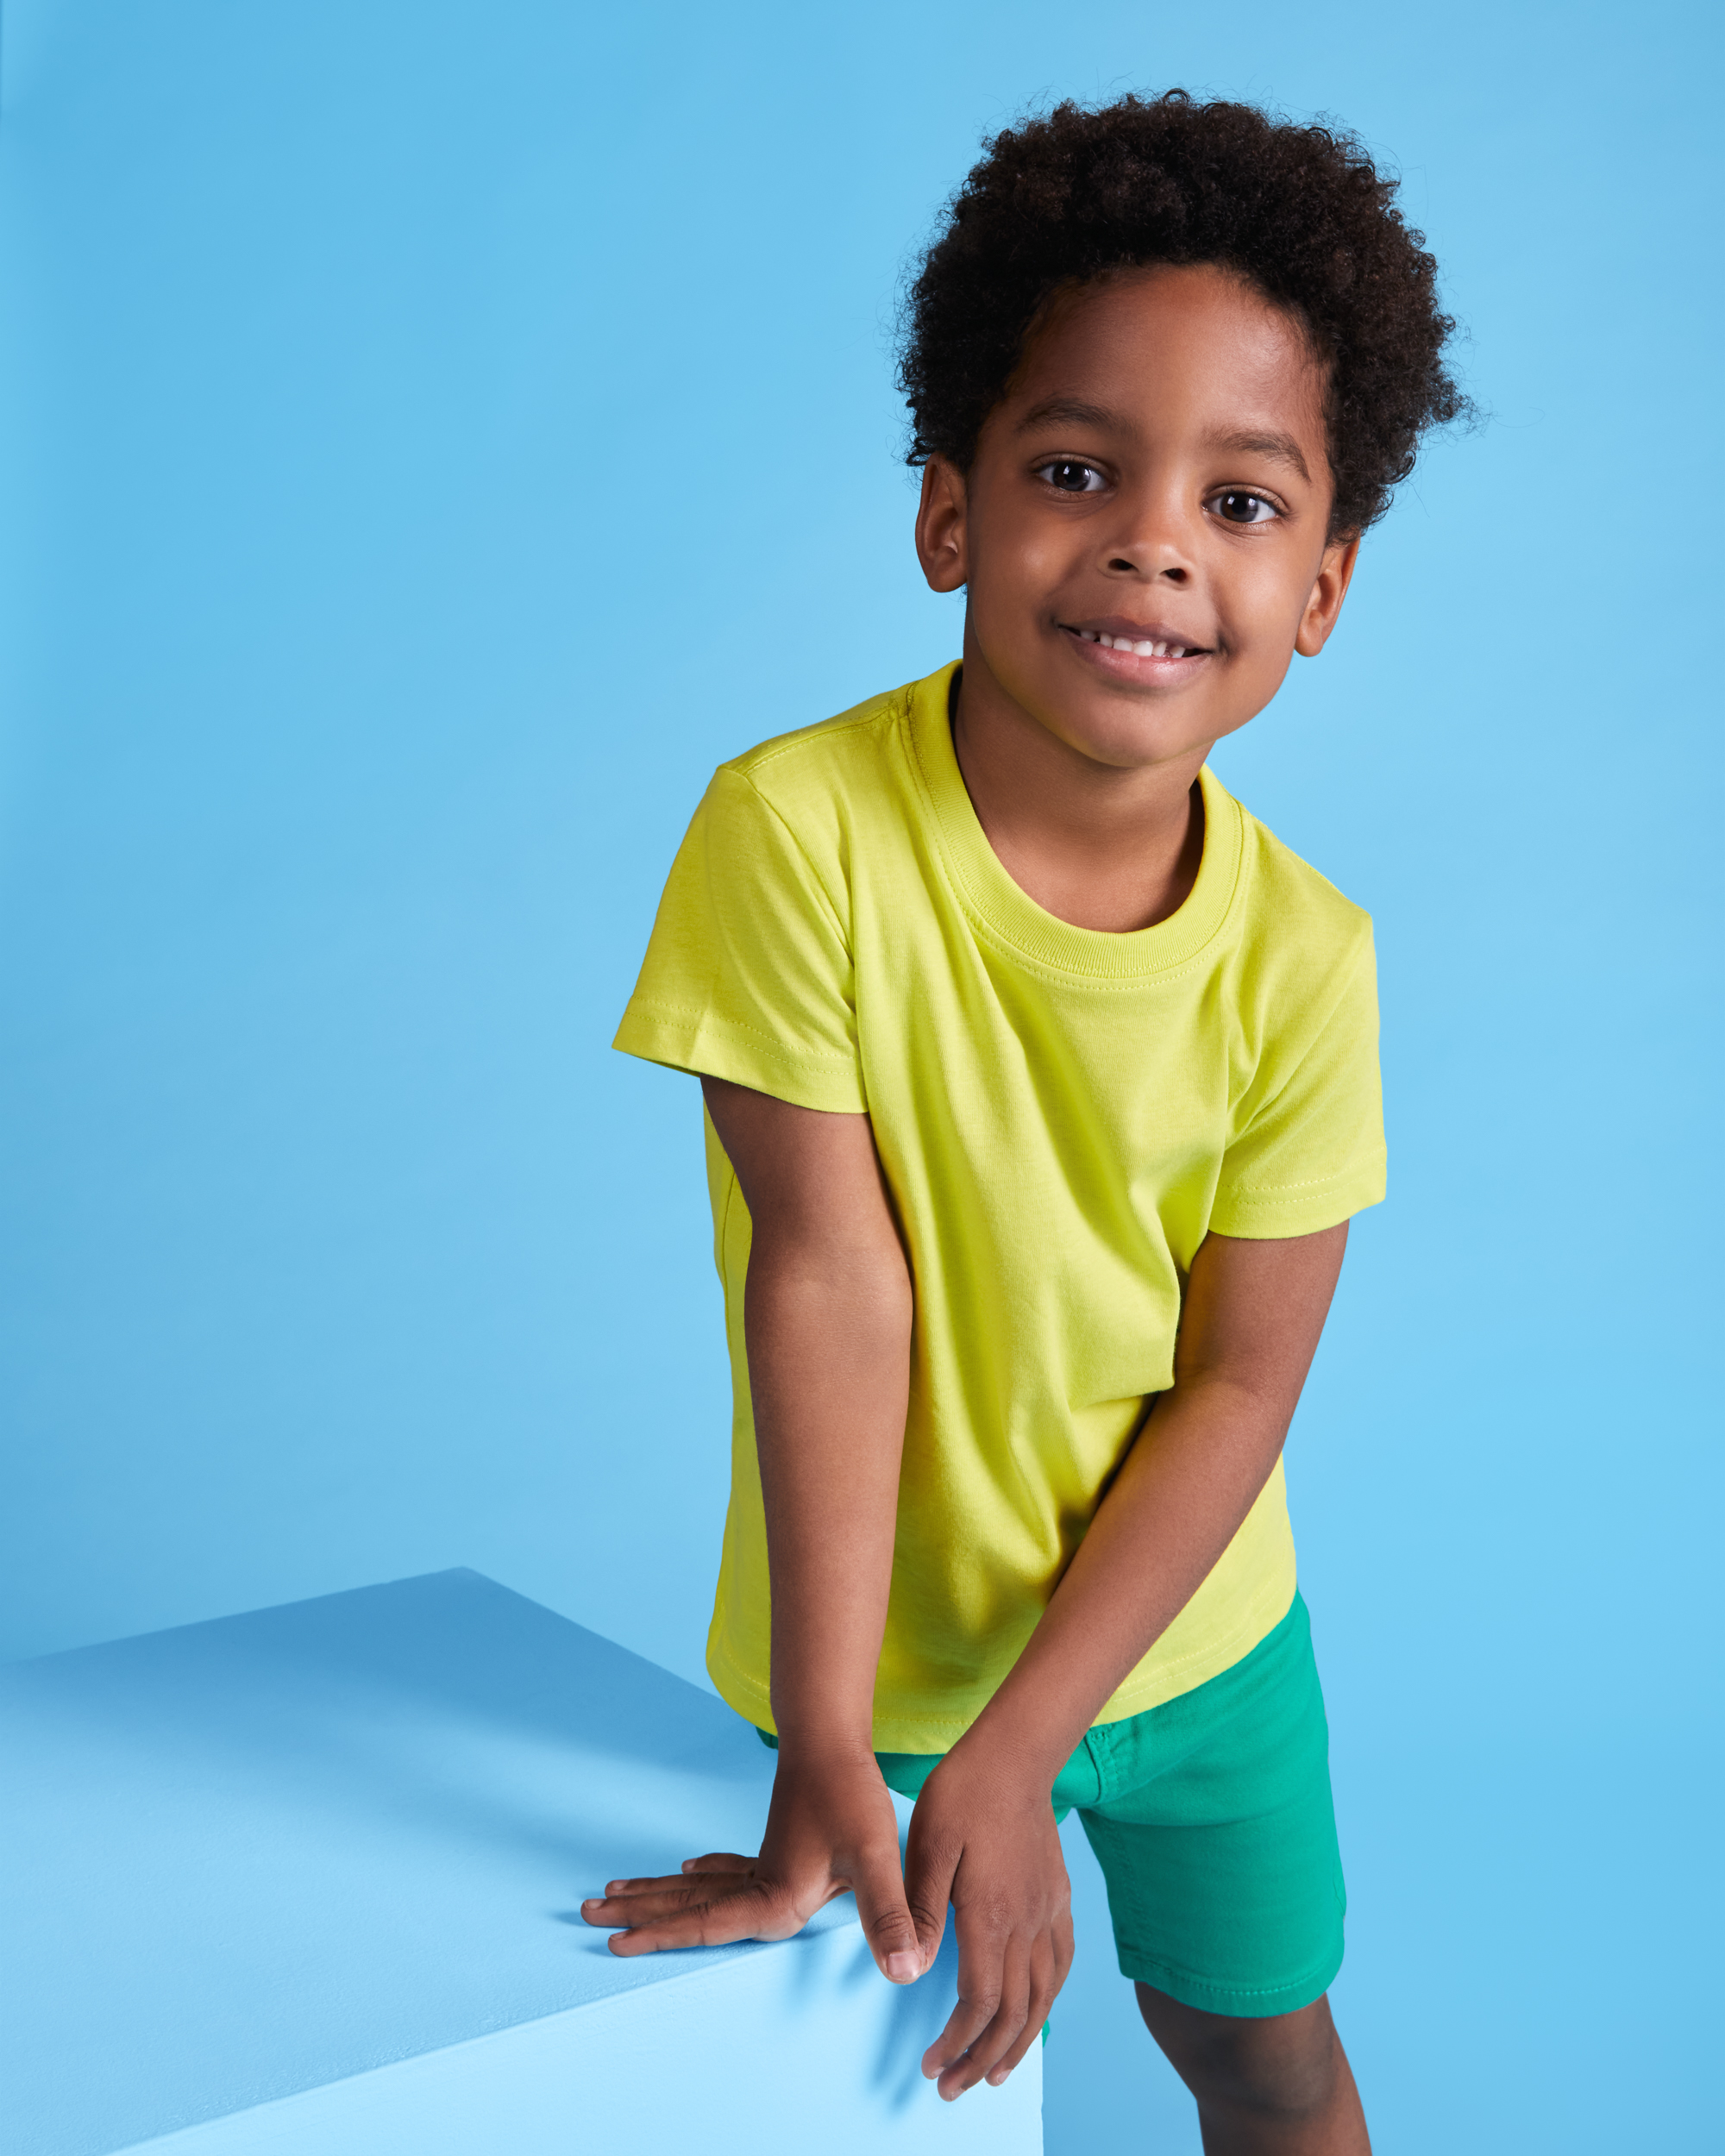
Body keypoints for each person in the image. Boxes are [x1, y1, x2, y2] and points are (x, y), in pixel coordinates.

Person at [586, 91, 1465, 2153]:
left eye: (1240, 501)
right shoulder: (796, 833)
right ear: (949, 517)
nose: (1154, 539)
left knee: (1263, 2058)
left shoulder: (1307, 956)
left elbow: (1238, 1384)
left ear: (1323, 583)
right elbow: (829, 1273)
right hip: (882, 1672)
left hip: (1201, 1641)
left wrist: (1034, 1735)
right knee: (890, 2094)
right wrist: (834, 1734)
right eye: (1077, 470)